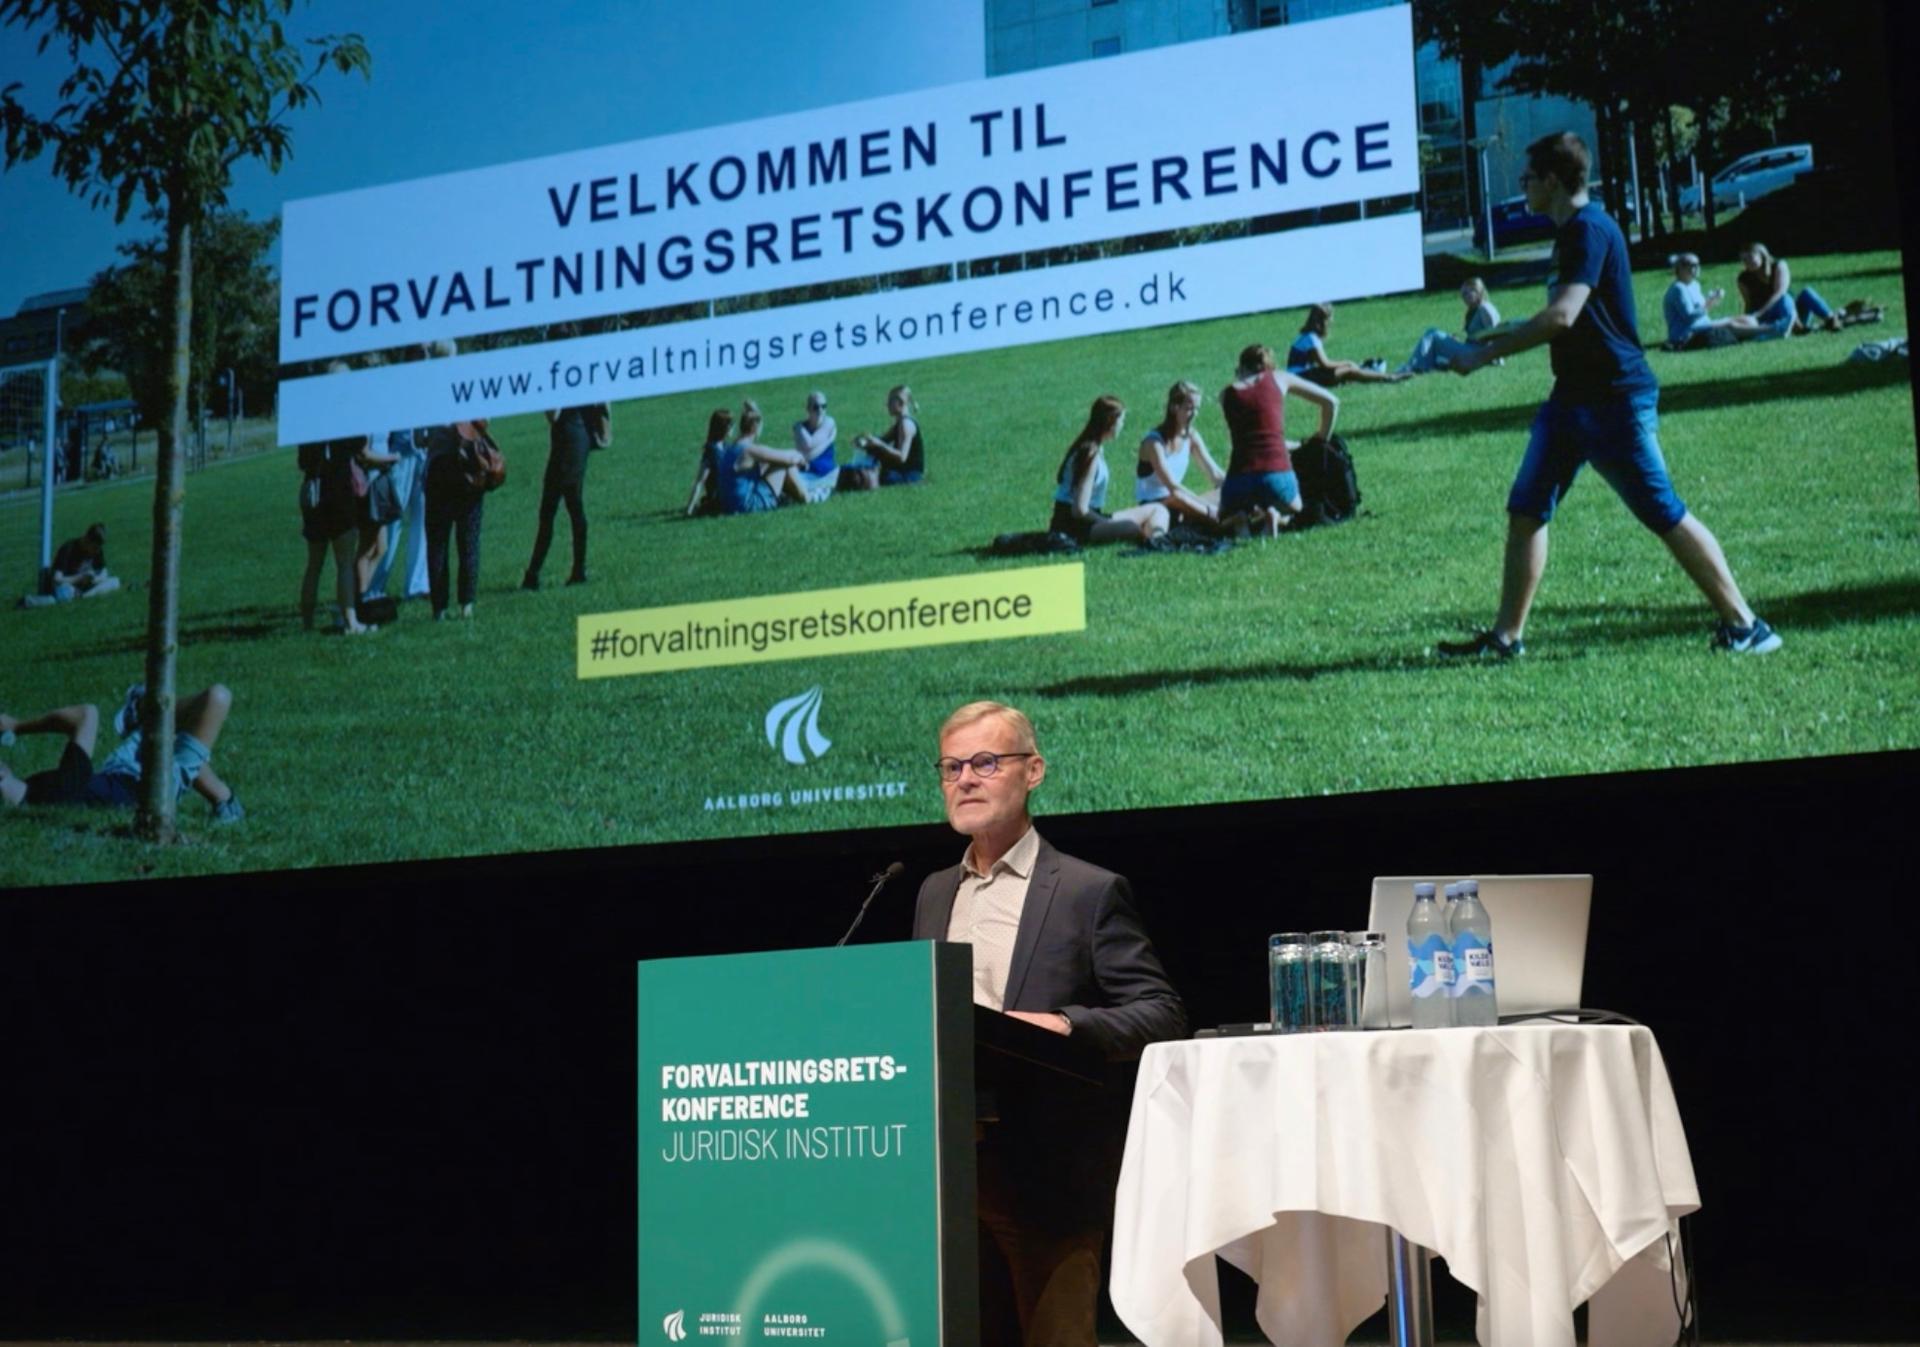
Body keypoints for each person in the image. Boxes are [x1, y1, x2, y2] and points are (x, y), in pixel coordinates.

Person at [1443, 131, 1781, 657]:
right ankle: (1506, 638)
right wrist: (1500, 333)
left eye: (1528, 178)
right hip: (1572, 399)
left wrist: (1481, 356)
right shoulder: (1572, 233)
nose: (1522, 186)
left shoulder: (1587, 229)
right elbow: (1573, 316)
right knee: (1527, 509)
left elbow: (1563, 316)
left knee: (1663, 510)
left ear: (1552, 181)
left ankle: (1748, 626)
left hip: (1614, 400)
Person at [911, 701, 1185, 1347]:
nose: (965, 779)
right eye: (951, 767)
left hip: (1047, 1177)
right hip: (949, 1176)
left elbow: (1160, 1010)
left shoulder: (1088, 890)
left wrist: (1064, 1024)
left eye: (985, 762)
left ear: (1033, 771)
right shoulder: (933, 890)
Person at [1, 682, 243, 822]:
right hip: (154, 788)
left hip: (122, 770)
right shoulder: (57, 792)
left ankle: (226, 803)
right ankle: (142, 710)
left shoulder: (34, 792)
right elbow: (86, 714)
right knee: (217, 697)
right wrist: (16, 726)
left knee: (177, 734)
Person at [1219, 343, 1337, 534]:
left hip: (1239, 477)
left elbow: (1246, 441)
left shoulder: (1226, 394)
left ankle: (1241, 517)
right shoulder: (1280, 378)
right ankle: (1275, 514)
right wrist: (1320, 441)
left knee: (1224, 516)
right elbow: (1331, 402)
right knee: (1296, 506)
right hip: (1276, 474)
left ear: (1242, 368)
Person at [365, 339, 444, 604]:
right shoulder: (395, 382)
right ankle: (375, 585)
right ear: (408, 354)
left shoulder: (431, 381)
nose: (425, 356)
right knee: (392, 523)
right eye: (420, 351)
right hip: (400, 457)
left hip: (424, 454)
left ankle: (417, 584)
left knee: (422, 521)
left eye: (427, 351)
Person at [1051, 395, 1169, 545]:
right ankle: (1152, 543)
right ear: (1110, 422)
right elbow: (1079, 510)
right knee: (1131, 528)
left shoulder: (1094, 447)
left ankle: (1157, 543)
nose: (1122, 425)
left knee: (1158, 509)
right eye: (1121, 420)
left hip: (1091, 517)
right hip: (1073, 527)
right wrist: (1105, 522)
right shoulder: (1090, 453)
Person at [297, 418, 374, 635]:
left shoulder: (308, 425)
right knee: (344, 563)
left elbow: (302, 461)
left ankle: (307, 623)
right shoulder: (344, 419)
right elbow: (360, 445)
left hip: (314, 490)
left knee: (314, 564)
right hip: (340, 489)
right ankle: (350, 620)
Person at [523, 399, 609, 590]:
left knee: (554, 509)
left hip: (567, 436)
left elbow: (553, 415)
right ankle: (576, 570)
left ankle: (535, 573)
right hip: (579, 435)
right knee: (572, 505)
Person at [424, 418, 495, 621]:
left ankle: (439, 609)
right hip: (470, 466)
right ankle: (467, 605)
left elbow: (420, 439)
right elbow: (485, 422)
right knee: (469, 541)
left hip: (439, 468)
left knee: (437, 544)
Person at [682, 403, 808, 516]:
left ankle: (791, 498)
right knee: (784, 465)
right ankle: (807, 499)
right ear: (755, 428)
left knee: (772, 464)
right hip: (746, 506)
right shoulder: (749, 450)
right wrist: (800, 457)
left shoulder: (732, 448)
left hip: (729, 506)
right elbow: (787, 459)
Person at [1136, 380, 1226, 525]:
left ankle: (1218, 515)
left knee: (1224, 491)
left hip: (1181, 499)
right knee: (1179, 497)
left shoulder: (1191, 436)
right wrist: (1205, 504)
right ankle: (1218, 518)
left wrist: (1236, 486)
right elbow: (1172, 486)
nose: (1194, 414)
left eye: (1197, 409)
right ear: (1174, 407)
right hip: (1157, 505)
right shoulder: (1154, 443)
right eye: (1189, 409)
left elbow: (1214, 473)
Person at [1288, 303, 1411, 386]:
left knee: (1347, 371)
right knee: (1349, 370)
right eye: (1330, 318)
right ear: (1324, 320)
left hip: (1300, 376)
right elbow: (1325, 364)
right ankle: (1389, 377)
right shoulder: (1311, 338)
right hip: (1301, 377)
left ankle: (1386, 376)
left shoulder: (1306, 335)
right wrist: (1346, 362)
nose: (1332, 321)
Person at [1734, 242, 1839, 339]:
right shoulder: (1743, 278)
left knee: (1803, 293)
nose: (1747, 262)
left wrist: (1761, 312)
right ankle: (1796, 328)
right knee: (1784, 299)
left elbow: (1780, 292)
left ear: (1761, 255)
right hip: (1768, 318)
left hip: (1790, 312)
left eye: (1750, 258)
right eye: (1744, 260)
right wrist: (1747, 321)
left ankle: (1831, 319)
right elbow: (1748, 303)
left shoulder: (1779, 266)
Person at [1399, 278, 1505, 373]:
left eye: (1467, 293)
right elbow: (1477, 336)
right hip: (1473, 350)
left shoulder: (1484, 309)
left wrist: (1494, 359)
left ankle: (1415, 367)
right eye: (1463, 295)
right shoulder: (1475, 308)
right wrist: (1459, 341)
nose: (1464, 298)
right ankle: (1421, 366)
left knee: (1432, 334)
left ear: (1477, 291)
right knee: (1436, 338)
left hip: (1478, 354)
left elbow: (1494, 335)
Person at [842, 385, 926, 489]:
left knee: (875, 475)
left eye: (890, 401)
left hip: (910, 475)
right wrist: (865, 441)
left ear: (900, 403)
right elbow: (883, 440)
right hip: (902, 471)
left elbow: (902, 457)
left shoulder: (906, 425)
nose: (887, 405)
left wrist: (879, 444)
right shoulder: (899, 423)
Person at [1660, 253, 1736, 349]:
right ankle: (1755, 332)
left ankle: (1754, 328)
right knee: (1731, 323)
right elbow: (1689, 316)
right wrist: (1709, 302)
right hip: (1687, 332)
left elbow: (1701, 307)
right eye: (1693, 265)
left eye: (1698, 264)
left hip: (1701, 325)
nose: (1697, 268)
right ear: (1681, 268)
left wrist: (1712, 298)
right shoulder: (1678, 288)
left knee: (1739, 319)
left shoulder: (1695, 285)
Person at [784, 391, 840, 504]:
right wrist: (830, 439)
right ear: (808, 409)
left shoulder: (829, 422)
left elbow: (808, 450)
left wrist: (829, 440)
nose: (820, 410)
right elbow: (808, 449)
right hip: (806, 473)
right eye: (816, 407)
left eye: (824, 406)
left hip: (824, 473)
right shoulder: (800, 427)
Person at [44, 523, 120, 600]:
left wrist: (94, 579)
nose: (96, 551)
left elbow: (104, 572)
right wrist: (80, 578)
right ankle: (83, 595)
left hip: (85, 586)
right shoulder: (68, 548)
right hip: (69, 586)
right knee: (64, 591)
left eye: (98, 548)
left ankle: (85, 596)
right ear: (87, 540)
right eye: (94, 548)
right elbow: (57, 579)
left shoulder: (97, 550)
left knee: (115, 581)